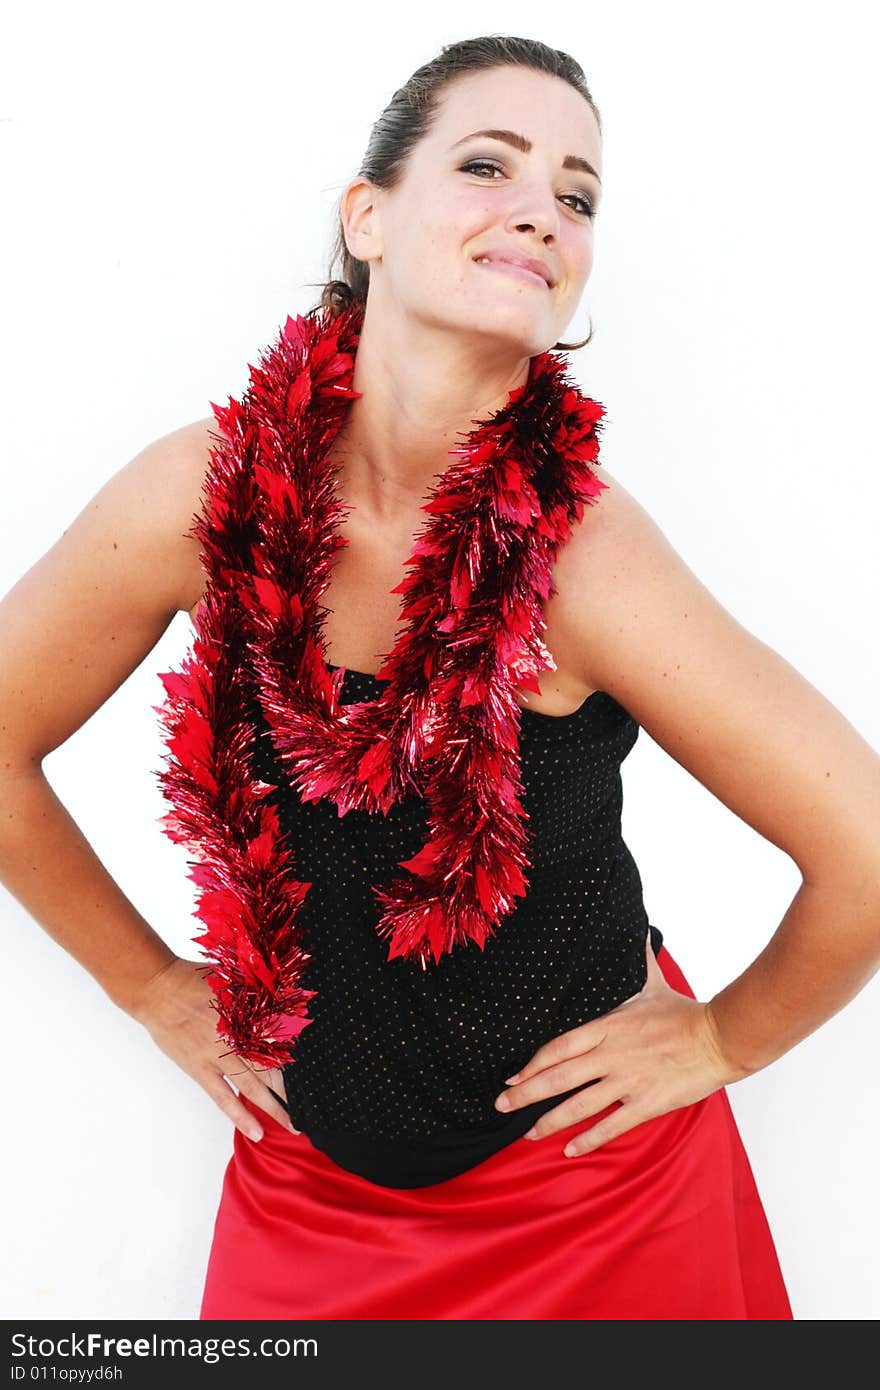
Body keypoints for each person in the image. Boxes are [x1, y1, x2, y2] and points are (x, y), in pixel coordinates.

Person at [2, 34, 878, 1322]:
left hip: (591, 1197)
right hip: (308, 1187)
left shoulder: (587, 560)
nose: (542, 208)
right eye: (489, 165)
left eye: (577, 196)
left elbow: (863, 845)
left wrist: (722, 1040)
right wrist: (147, 988)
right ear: (367, 215)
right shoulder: (202, 494)